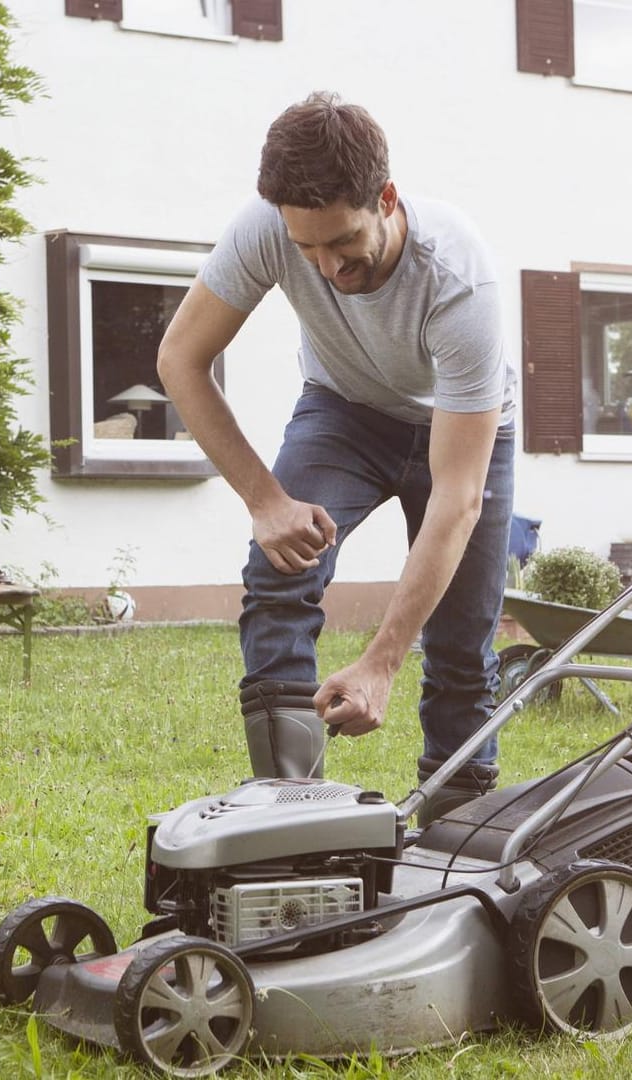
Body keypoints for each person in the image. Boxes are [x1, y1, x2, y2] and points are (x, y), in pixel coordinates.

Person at [156, 92, 517, 815]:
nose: (326, 267)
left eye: (343, 241)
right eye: (305, 248)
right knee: (278, 571)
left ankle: (460, 831)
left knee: (459, 646)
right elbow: (179, 359)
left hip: (465, 429)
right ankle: (293, 812)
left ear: (384, 198)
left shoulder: (458, 278)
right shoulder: (265, 229)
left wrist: (381, 661)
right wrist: (265, 500)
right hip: (345, 412)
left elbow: (458, 496)